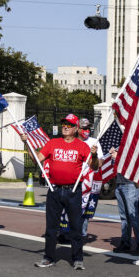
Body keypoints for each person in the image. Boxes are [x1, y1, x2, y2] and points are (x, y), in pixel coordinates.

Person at [35, 114, 98, 269]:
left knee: (76, 227)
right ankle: (49, 257)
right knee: (51, 227)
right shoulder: (53, 143)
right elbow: (38, 158)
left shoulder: (82, 146)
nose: (65, 126)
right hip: (54, 189)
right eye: (63, 123)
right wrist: (27, 144)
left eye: (69, 125)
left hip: (73, 191)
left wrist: (94, 155)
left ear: (76, 128)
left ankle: (77, 259)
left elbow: (94, 166)